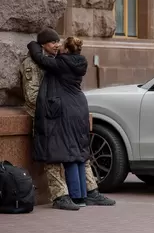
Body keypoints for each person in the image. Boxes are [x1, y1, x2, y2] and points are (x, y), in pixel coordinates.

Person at [20, 28, 115, 210]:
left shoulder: (59, 61)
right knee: (56, 156)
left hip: (63, 114)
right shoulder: (33, 63)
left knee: (77, 153)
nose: (56, 45)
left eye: (58, 42)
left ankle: (87, 192)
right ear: (43, 45)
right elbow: (32, 96)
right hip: (50, 115)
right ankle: (63, 195)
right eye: (52, 42)